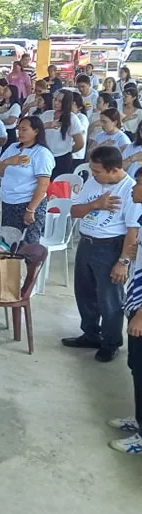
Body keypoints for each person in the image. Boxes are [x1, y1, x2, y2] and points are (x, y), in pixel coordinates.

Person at [65, 146, 142, 362]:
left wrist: (123, 262)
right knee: (84, 292)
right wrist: (95, 204)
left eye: (98, 171)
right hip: (86, 243)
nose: (94, 174)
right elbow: (74, 211)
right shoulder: (94, 181)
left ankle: (111, 342)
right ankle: (90, 334)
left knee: (110, 299)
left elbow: (132, 232)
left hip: (110, 246)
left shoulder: (131, 189)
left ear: (114, 169)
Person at [109, 167, 142, 455]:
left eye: (138, 183)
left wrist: (141, 315)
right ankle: (138, 419)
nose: (133, 188)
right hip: (136, 302)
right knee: (135, 365)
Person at [0, 116, 55, 243]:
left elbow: (43, 185)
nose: (20, 132)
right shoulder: (13, 148)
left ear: (36, 131)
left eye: (24, 129)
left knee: (27, 245)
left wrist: (31, 209)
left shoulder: (41, 153)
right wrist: (10, 161)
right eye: (18, 129)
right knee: (8, 243)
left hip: (28, 203)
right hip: (9, 201)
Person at [42, 89, 86, 178]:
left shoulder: (72, 118)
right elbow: (35, 130)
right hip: (44, 156)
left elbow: (80, 143)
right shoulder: (47, 114)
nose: (56, 103)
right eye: (55, 99)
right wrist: (46, 125)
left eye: (60, 101)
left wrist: (66, 151)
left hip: (62, 159)